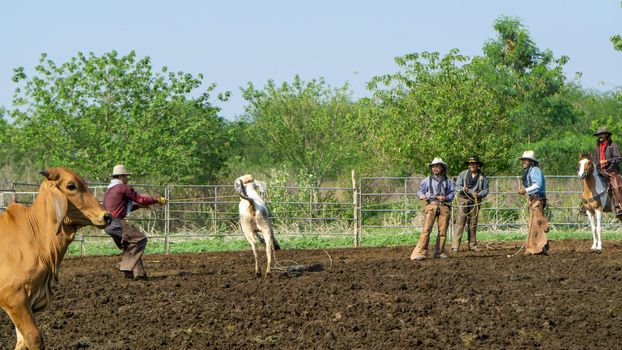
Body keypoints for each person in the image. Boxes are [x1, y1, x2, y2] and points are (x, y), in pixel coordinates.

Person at [103, 165, 167, 279]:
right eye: (126, 176)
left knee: (129, 246)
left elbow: (120, 207)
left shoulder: (110, 189)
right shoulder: (123, 187)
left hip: (108, 225)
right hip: (117, 222)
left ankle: (138, 274)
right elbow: (141, 199)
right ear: (122, 176)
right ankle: (123, 265)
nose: (127, 178)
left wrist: (139, 207)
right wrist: (157, 200)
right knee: (140, 240)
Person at [410, 157, 455, 261]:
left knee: (442, 231)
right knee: (426, 230)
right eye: (433, 166)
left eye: (437, 166)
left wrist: (446, 197)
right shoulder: (426, 180)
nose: (435, 168)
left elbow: (452, 194)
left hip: (444, 206)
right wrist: (421, 195)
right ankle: (420, 252)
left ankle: (440, 252)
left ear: (442, 168)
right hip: (431, 205)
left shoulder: (448, 181)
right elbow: (420, 191)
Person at [451, 155, 489, 253]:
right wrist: (462, 189)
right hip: (463, 200)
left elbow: (486, 190)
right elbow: (457, 186)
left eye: (474, 164)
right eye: (470, 164)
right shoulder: (463, 174)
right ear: (469, 165)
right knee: (460, 222)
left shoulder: (482, 177)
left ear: (478, 165)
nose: (472, 165)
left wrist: (479, 194)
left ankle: (472, 245)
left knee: (473, 224)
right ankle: (455, 246)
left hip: (475, 201)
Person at [517, 151, 549, 255]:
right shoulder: (530, 171)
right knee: (534, 223)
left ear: (531, 161)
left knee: (535, 224)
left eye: (525, 160)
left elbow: (538, 184)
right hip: (534, 199)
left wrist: (525, 190)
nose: (523, 162)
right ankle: (540, 247)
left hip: (537, 199)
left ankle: (536, 248)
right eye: (523, 160)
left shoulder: (535, 170)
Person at [593, 127, 622, 217]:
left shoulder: (613, 145)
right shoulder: (598, 147)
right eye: (598, 135)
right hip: (600, 172)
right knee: (588, 183)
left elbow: (618, 158)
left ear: (606, 135)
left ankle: (620, 206)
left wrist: (607, 161)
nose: (600, 136)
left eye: (601, 134)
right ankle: (585, 205)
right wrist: (597, 166)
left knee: (616, 187)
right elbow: (595, 161)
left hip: (612, 172)